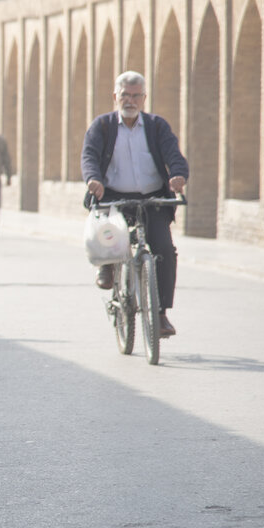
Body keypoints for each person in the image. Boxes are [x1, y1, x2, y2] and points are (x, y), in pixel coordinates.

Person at [82, 71, 189, 337]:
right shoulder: (102, 126)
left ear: (144, 98)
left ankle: (161, 314)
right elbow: (90, 157)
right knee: (109, 237)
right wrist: (93, 179)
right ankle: (107, 266)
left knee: (164, 249)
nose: (130, 100)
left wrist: (178, 174)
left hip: (152, 198)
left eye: (135, 95)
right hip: (114, 198)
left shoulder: (156, 126)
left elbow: (173, 154)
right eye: (125, 95)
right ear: (115, 97)